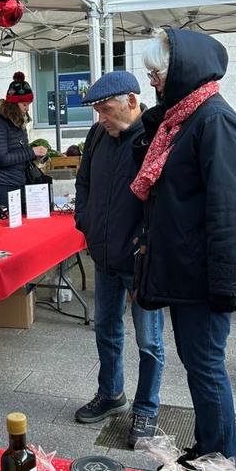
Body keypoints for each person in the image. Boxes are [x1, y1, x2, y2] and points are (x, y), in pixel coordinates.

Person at [132, 28, 236, 462]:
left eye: (156, 73)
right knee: (198, 367)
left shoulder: (214, 120)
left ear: (182, 71)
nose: (152, 82)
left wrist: (228, 286)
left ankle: (219, 460)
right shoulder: (182, 118)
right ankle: (208, 449)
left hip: (202, 276)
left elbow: (232, 210)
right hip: (186, 270)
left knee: (205, 368)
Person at [74, 71, 165, 446]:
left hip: (141, 258)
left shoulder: (153, 135)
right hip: (104, 252)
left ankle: (146, 408)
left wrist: (148, 240)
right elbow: (84, 181)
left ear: (131, 101)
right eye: (97, 111)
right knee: (106, 329)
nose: (101, 118)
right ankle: (111, 394)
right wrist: (86, 221)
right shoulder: (98, 135)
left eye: (106, 110)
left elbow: (164, 196)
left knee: (149, 340)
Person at [0, 72, 47, 211]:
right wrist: (30, 152)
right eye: (24, 104)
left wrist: (34, 155)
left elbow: (18, 150)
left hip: (16, 182)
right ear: (13, 104)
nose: (27, 108)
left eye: (28, 104)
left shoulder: (16, 122)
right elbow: (2, 158)